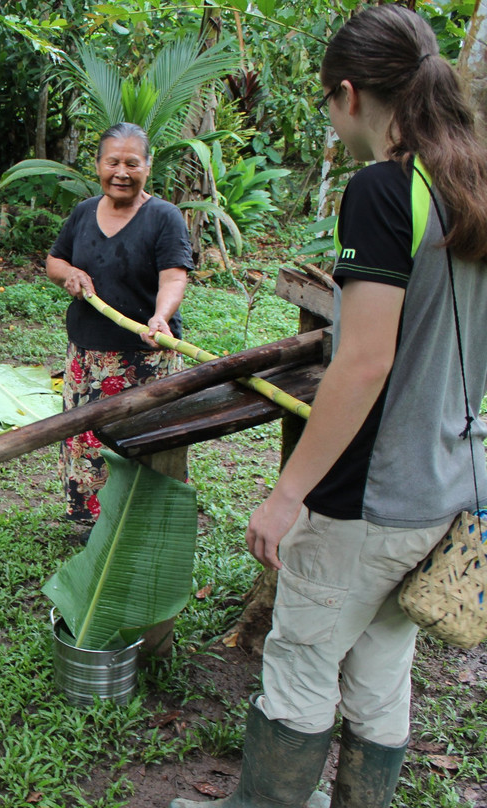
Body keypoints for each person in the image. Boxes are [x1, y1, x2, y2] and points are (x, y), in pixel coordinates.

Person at [172, 7, 487, 808]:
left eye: (325, 100)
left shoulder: (384, 190)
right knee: (382, 667)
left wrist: (286, 497)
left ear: (348, 94)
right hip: (446, 487)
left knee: (303, 662)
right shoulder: (469, 186)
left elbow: (365, 360)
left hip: (366, 499)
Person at [45, 122, 191, 525]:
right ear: (98, 165)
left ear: (148, 165)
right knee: (86, 441)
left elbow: (174, 275)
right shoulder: (83, 212)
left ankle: (142, 524)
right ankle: (90, 522)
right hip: (87, 356)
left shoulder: (164, 217)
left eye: (132, 163)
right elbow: (54, 261)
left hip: (144, 358)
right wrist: (68, 275)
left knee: (142, 442)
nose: (121, 172)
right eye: (113, 162)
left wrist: (161, 316)